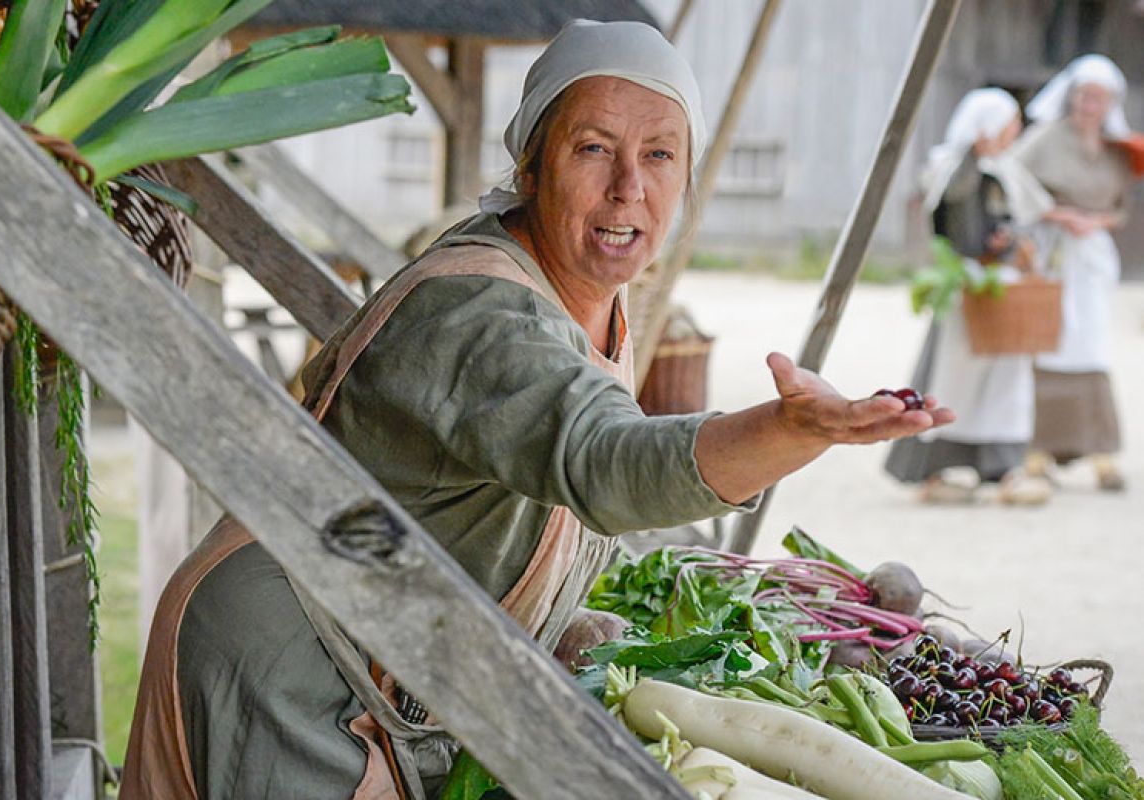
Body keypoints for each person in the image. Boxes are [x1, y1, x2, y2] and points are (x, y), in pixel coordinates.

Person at [119, 21, 953, 800]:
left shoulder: (586, 304)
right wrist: (793, 429)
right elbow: (604, 462)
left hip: (375, 655)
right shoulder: (478, 314)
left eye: (659, 154)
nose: (629, 187)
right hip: (287, 664)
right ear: (528, 168)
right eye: (593, 149)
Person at [885, 88, 1055, 504]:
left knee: (1006, 382)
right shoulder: (952, 168)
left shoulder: (1006, 170)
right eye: (1008, 123)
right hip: (965, 290)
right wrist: (971, 157)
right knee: (951, 379)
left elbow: (1027, 218)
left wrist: (1011, 243)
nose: (1015, 131)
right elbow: (953, 211)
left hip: (1004, 289)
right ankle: (936, 470)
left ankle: (1003, 469)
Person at [1013, 54, 1133, 492]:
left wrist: (1095, 223)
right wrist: (1058, 215)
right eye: (1085, 95)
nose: (1090, 105)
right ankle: (1038, 449)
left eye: (1099, 98)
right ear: (1072, 95)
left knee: (1093, 345)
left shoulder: (1113, 148)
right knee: (1050, 343)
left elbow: (1120, 207)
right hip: (1053, 250)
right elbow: (1012, 180)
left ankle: (1099, 449)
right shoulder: (1045, 139)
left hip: (1093, 256)